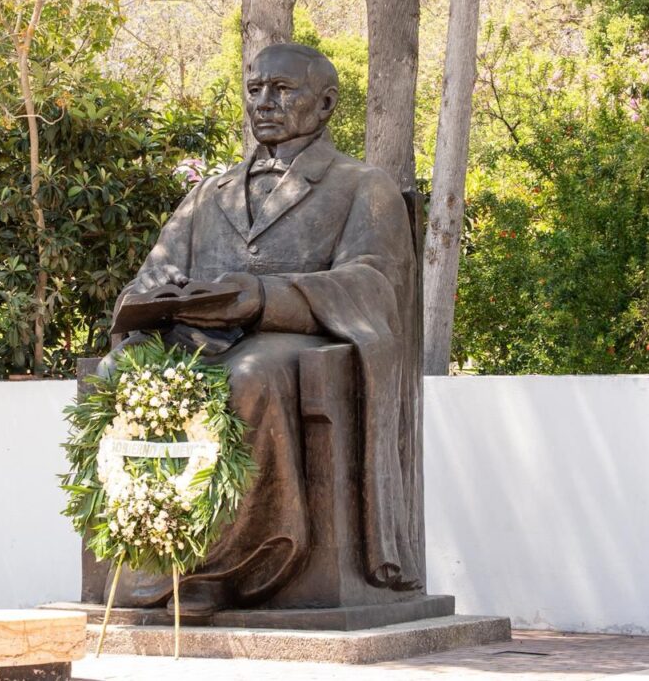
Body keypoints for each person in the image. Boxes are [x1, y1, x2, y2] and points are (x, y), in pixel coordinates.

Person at [106, 43, 423, 614]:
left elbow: (375, 285)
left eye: (282, 89)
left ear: (325, 103)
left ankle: (219, 569)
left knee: (249, 376)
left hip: (296, 339)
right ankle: (143, 547)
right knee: (118, 369)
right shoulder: (209, 193)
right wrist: (154, 294)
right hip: (195, 338)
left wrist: (263, 298)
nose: (264, 102)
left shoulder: (362, 185)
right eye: (255, 90)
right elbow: (151, 273)